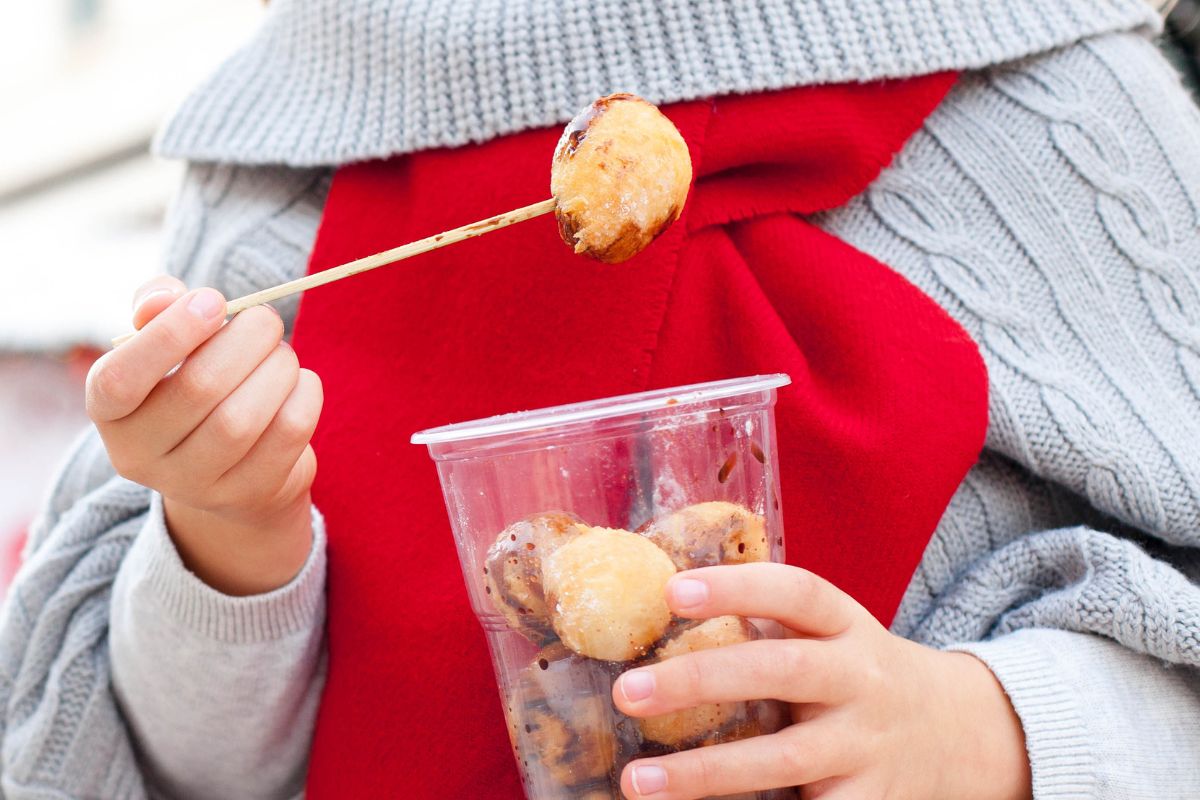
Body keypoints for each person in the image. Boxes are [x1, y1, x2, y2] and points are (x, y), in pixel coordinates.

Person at [3, 1, 1199, 798]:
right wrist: (228, 540)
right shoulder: (282, 152)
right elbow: (169, 762)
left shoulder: (1065, 105)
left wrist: (987, 730)